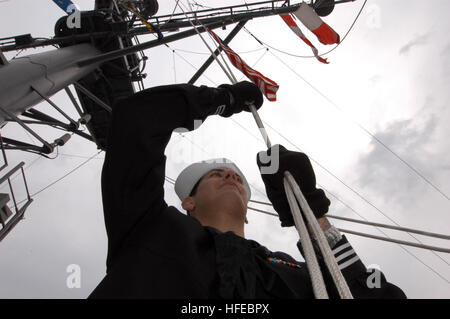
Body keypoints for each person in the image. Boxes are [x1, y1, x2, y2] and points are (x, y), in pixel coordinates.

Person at [89, 81, 406, 299]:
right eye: (216, 174)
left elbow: (370, 294)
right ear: (188, 201)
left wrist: (312, 213)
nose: (230, 175)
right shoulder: (149, 227)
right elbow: (136, 120)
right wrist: (221, 100)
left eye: (237, 177)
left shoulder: (294, 271)